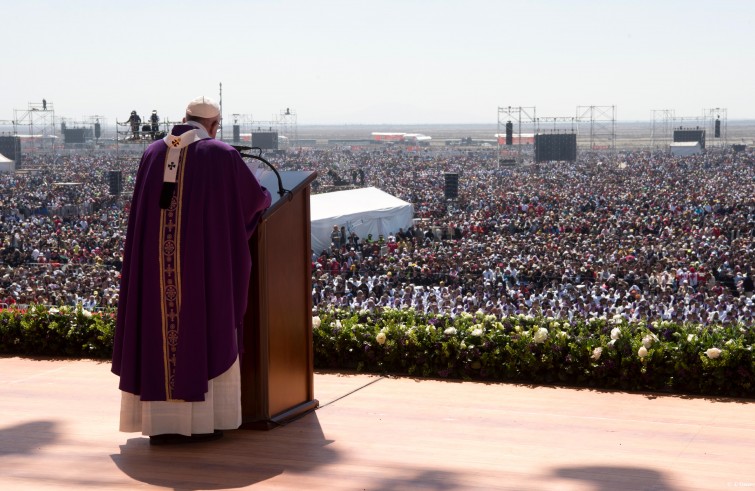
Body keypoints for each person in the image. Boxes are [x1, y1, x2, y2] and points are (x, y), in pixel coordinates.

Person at [111, 96, 272, 444]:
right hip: (202, 271)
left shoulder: (153, 153)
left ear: (184, 118)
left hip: (155, 274)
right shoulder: (221, 154)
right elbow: (252, 202)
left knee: (159, 331)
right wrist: (264, 196)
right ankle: (202, 424)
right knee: (204, 327)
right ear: (214, 125)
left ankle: (160, 425)